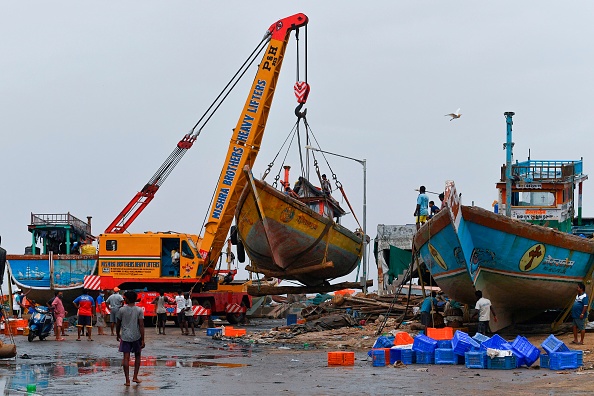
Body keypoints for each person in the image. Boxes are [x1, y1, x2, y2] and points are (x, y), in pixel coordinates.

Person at [116, 290, 145, 387]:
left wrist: (117, 334)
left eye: (124, 298)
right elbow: (141, 325)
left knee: (126, 358)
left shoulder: (122, 310)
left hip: (125, 336)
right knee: (137, 356)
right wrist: (143, 339)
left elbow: (118, 323)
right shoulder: (139, 310)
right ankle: (135, 377)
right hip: (137, 336)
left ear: (127, 299)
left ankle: (127, 380)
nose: (124, 299)